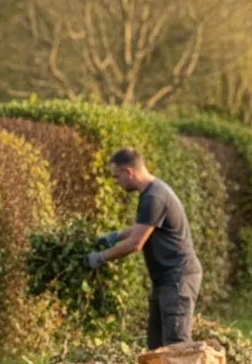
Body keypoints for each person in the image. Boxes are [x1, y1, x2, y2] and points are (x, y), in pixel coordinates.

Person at [83, 147, 203, 348]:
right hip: (166, 279)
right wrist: (113, 236)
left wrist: (99, 258)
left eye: (117, 176)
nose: (116, 182)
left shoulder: (153, 197)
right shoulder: (153, 192)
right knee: (156, 347)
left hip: (178, 278)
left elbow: (136, 243)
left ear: (129, 172)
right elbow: (142, 228)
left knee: (176, 345)